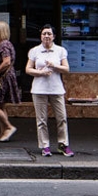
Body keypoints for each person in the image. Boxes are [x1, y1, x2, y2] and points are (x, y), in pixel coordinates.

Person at [26, 25, 73, 156]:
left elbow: (67, 69)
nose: (46, 36)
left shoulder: (60, 50)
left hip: (56, 89)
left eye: (49, 34)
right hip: (39, 89)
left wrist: (55, 66)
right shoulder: (35, 51)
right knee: (41, 119)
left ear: (54, 36)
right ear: (40, 36)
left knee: (61, 117)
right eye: (44, 34)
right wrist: (40, 72)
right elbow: (28, 69)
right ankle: (45, 146)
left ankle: (63, 144)